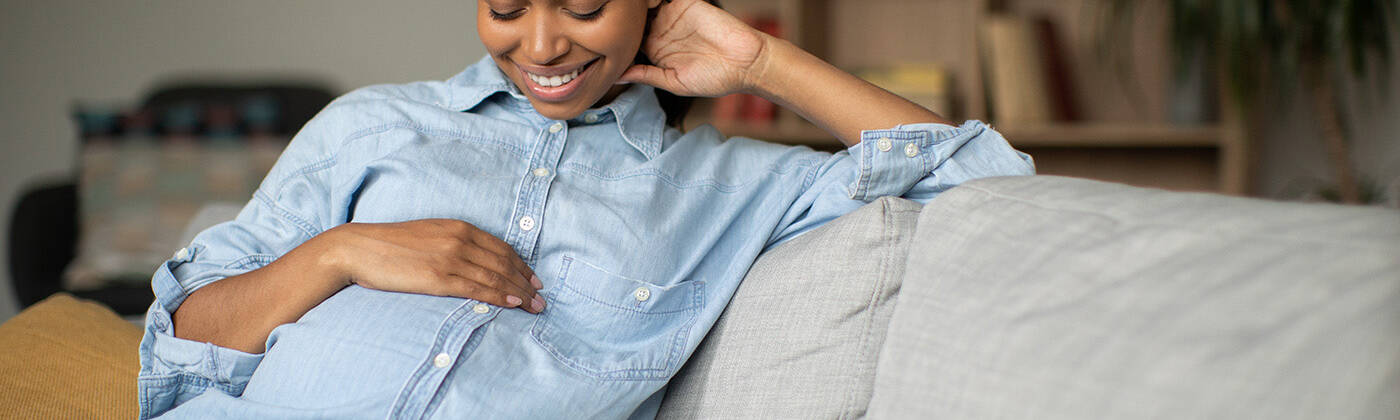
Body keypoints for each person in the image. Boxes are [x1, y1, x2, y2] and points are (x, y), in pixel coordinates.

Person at [137, 0, 1034, 418]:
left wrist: (761, 61)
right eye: (506, 6)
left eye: (584, 5)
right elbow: (183, 340)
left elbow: (985, 179)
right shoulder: (372, 126)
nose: (540, 45)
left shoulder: (729, 188)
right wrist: (336, 254)